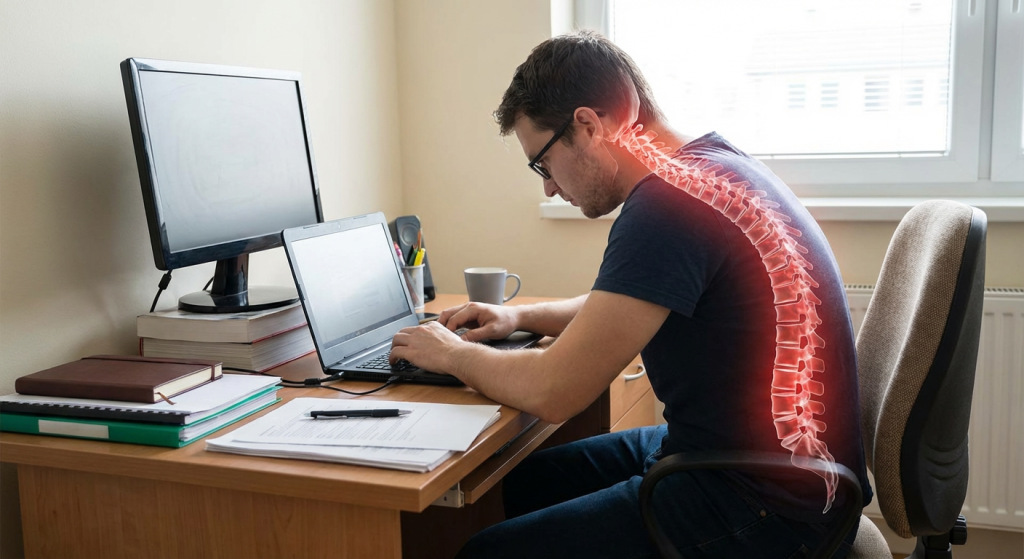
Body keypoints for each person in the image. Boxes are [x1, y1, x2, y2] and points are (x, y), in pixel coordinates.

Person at [389, 30, 872, 559]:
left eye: (541, 164)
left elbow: (556, 390)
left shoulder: (668, 207)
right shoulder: (708, 167)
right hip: (774, 471)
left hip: (768, 508)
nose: (548, 187)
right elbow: (622, 306)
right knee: (529, 482)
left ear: (589, 125)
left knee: (486, 553)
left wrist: (452, 354)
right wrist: (512, 320)